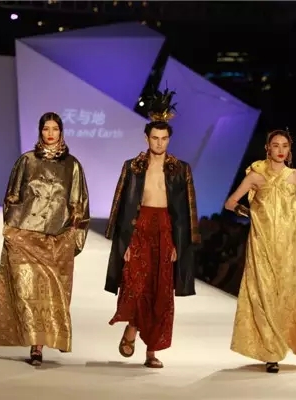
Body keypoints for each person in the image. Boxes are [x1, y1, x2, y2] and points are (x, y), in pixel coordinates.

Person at [0, 112, 90, 366]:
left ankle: (41, 342)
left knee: (51, 294)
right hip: (26, 236)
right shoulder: (27, 161)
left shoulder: (72, 165)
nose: (50, 133)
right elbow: (12, 196)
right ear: (40, 131)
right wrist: (11, 229)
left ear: (61, 131)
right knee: (28, 291)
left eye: (55, 129)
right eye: (46, 129)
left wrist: (74, 235)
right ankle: (35, 345)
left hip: (57, 239)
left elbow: (79, 203)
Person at [104, 88, 200, 369]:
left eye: (164, 138)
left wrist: (178, 243)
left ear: (169, 139)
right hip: (139, 228)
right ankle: (132, 327)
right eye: (155, 138)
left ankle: (151, 351)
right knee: (135, 284)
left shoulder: (180, 169)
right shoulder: (133, 167)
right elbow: (121, 205)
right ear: (146, 138)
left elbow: (186, 210)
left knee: (161, 290)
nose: (159, 143)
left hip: (165, 230)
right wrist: (123, 243)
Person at [224, 128, 296, 373]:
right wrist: (252, 215)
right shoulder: (256, 176)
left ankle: (286, 343)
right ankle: (271, 353)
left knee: (288, 293)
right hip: (262, 243)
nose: (280, 150)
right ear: (267, 148)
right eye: (275, 145)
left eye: (284, 146)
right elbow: (230, 203)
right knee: (264, 292)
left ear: (289, 150)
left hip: (290, 246)